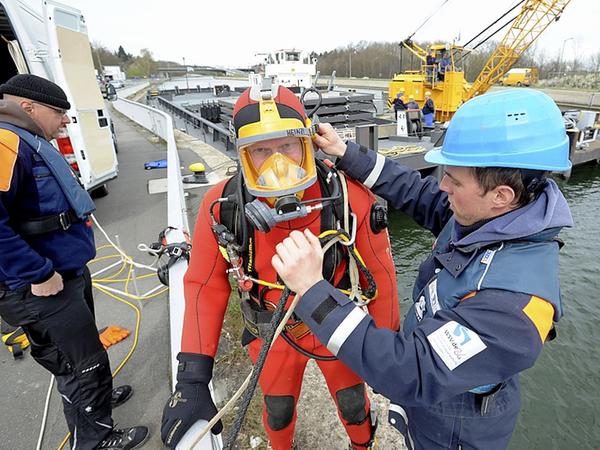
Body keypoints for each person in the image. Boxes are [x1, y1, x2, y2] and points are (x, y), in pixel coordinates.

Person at [272, 89, 573, 450]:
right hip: (431, 409)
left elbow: (408, 371)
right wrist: (345, 152)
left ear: (501, 195)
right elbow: (415, 192)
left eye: (455, 180)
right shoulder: (489, 218)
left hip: (454, 431)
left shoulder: (514, 309)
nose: (442, 184)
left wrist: (312, 290)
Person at [160, 84, 400, 450]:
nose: (278, 165)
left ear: (308, 143)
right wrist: (192, 379)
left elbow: (381, 277)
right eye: (261, 151)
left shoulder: (348, 197)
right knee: (278, 411)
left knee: (354, 405)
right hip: (270, 332)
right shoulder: (223, 207)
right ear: (242, 154)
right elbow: (204, 286)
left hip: (336, 326)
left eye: (288, 146)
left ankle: (362, 446)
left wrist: (390, 353)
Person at [0, 74, 148, 450]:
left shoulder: (26, 139)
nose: (65, 121)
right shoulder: (5, 143)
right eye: (58, 112)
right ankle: (95, 439)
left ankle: (94, 406)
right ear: (27, 107)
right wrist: (38, 272)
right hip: (42, 284)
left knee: (83, 352)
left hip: (64, 274)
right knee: (81, 363)